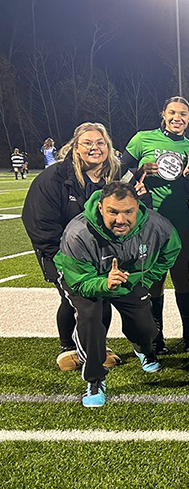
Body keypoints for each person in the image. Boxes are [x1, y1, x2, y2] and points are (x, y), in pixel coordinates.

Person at [53, 181, 181, 407]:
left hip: (127, 278)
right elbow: (80, 282)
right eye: (113, 212)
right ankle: (94, 379)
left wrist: (146, 279)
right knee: (91, 318)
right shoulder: (77, 233)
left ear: (137, 207)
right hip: (86, 280)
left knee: (146, 328)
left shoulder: (157, 225)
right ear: (101, 207)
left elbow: (171, 250)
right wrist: (105, 284)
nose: (121, 220)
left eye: (128, 212)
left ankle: (144, 349)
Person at [23, 123, 138, 370]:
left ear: (108, 147)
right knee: (82, 298)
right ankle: (72, 348)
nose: (94, 148)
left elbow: (132, 208)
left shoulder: (114, 175)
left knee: (100, 296)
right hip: (61, 252)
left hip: (100, 254)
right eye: (87, 143)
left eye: (100, 143)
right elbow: (40, 223)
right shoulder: (53, 178)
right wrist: (63, 257)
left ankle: (91, 345)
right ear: (75, 147)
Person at [123, 96, 189, 354]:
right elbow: (117, 173)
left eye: (183, 114)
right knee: (155, 279)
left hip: (180, 220)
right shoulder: (142, 139)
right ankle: (158, 337)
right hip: (149, 222)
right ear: (163, 114)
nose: (177, 118)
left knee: (181, 278)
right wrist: (138, 170)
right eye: (172, 112)